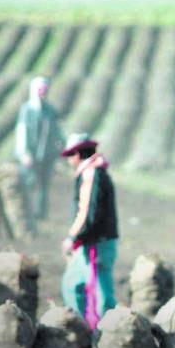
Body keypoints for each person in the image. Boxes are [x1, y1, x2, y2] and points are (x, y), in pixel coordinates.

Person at [60, 133, 119, 329]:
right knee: (72, 285)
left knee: (101, 295)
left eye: (70, 155)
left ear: (78, 154)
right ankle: (83, 332)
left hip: (96, 244)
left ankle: (107, 335)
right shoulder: (93, 172)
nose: (69, 160)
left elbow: (87, 212)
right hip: (92, 242)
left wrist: (73, 238)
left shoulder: (91, 174)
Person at [14, 76, 65, 222]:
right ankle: (26, 213)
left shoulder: (50, 110)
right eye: (40, 90)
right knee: (29, 183)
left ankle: (41, 215)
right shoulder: (27, 110)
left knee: (44, 185)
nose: (43, 93)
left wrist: (62, 146)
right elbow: (22, 132)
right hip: (30, 155)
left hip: (47, 155)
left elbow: (57, 131)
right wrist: (24, 153)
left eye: (45, 90)